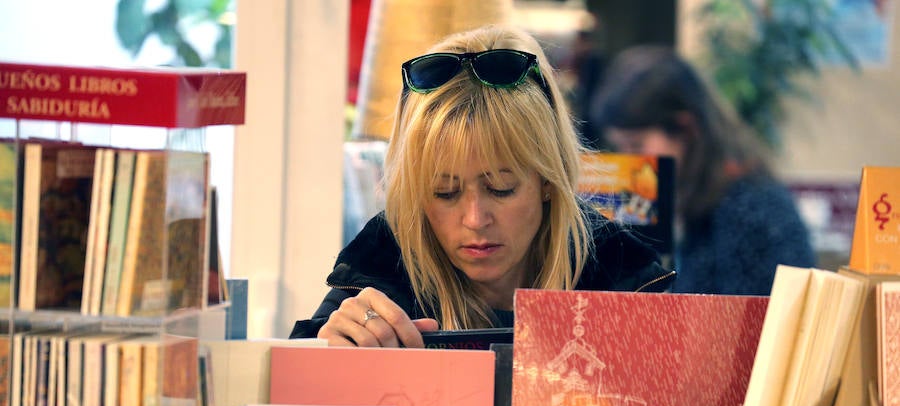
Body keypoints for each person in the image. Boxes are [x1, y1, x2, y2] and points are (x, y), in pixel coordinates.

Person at [290, 25, 674, 347]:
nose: (475, 219)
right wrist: (329, 356)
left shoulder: (623, 278)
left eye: (501, 188)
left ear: (547, 179)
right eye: (444, 192)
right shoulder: (381, 265)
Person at [590, 45, 817, 296]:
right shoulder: (688, 202)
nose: (629, 161)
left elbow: (750, 322)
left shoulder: (752, 210)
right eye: (619, 147)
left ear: (685, 129)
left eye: (636, 145)